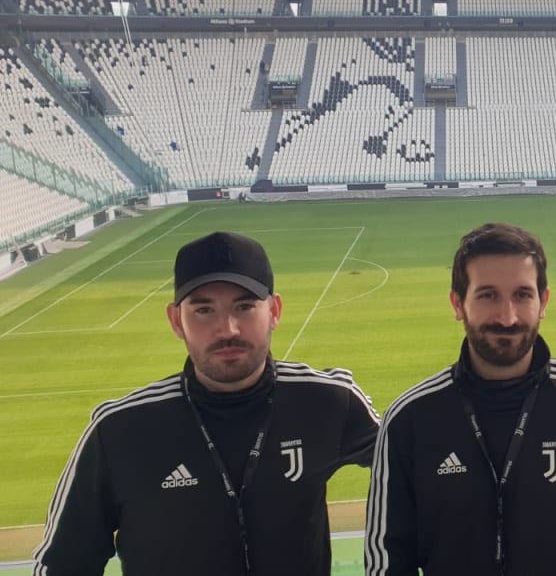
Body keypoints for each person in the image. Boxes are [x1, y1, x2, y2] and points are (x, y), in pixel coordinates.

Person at [33, 231, 381, 576]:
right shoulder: (118, 430)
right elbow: (62, 563)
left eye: (244, 307)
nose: (226, 328)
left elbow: (416, 465)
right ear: (176, 320)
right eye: (203, 310)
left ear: (274, 311)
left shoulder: (329, 401)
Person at [366, 223, 556, 576]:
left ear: (543, 301)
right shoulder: (409, 420)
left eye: (522, 295)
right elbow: (387, 561)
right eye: (488, 295)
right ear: (458, 303)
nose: (508, 317)